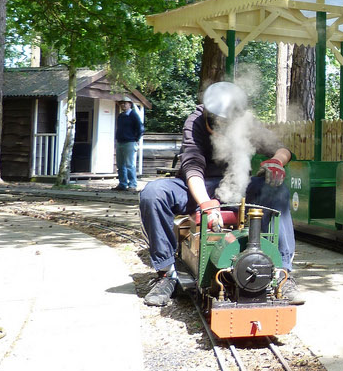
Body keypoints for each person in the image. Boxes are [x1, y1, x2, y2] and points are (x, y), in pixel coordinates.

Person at [138, 81, 302, 307]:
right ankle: (166, 274)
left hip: (238, 188)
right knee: (153, 193)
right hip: (197, 187)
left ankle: (282, 273)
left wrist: (276, 162)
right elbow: (192, 166)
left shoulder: (247, 123)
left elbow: (282, 149)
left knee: (277, 189)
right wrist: (206, 203)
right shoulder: (195, 121)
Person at [114, 100, 145, 191]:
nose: (123, 105)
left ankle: (132, 185)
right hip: (120, 142)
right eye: (121, 103)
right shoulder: (120, 116)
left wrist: (136, 139)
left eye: (125, 103)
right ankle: (122, 184)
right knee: (120, 165)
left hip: (130, 142)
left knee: (130, 165)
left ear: (130, 104)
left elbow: (140, 128)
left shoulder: (134, 115)